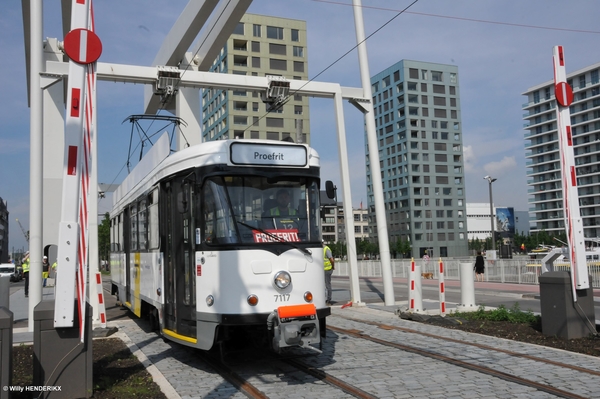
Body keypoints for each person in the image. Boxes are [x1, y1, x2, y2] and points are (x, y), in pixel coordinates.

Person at [323, 241, 335, 305]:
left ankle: (329, 300)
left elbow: (331, 259)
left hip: (327, 269)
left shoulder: (326, 249)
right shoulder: (321, 250)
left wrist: (333, 266)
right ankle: (323, 299)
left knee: (328, 285)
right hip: (322, 270)